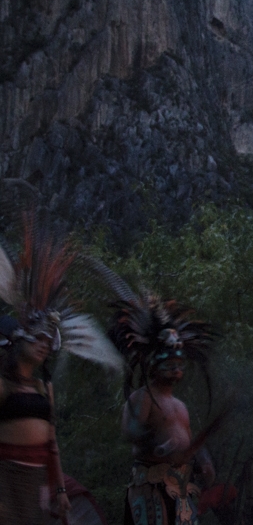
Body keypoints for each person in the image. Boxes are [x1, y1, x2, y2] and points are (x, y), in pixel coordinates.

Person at [0, 225, 121, 524]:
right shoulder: (3, 385)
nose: (43, 346)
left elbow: (52, 444)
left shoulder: (44, 388)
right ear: (20, 338)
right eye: (38, 338)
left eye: (48, 341)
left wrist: (59, 488)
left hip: (38, 480)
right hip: (6, 479)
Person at [109, 295, 217, 525]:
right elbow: (130, 431)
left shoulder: (180, 406)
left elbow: (190, 441)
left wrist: (205, 461)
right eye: (169, 363)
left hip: (179, 488)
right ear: (153, 365)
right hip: (150, 486)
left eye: (179, 364)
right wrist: (157, 446)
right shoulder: (143, 397)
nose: (176, 368)